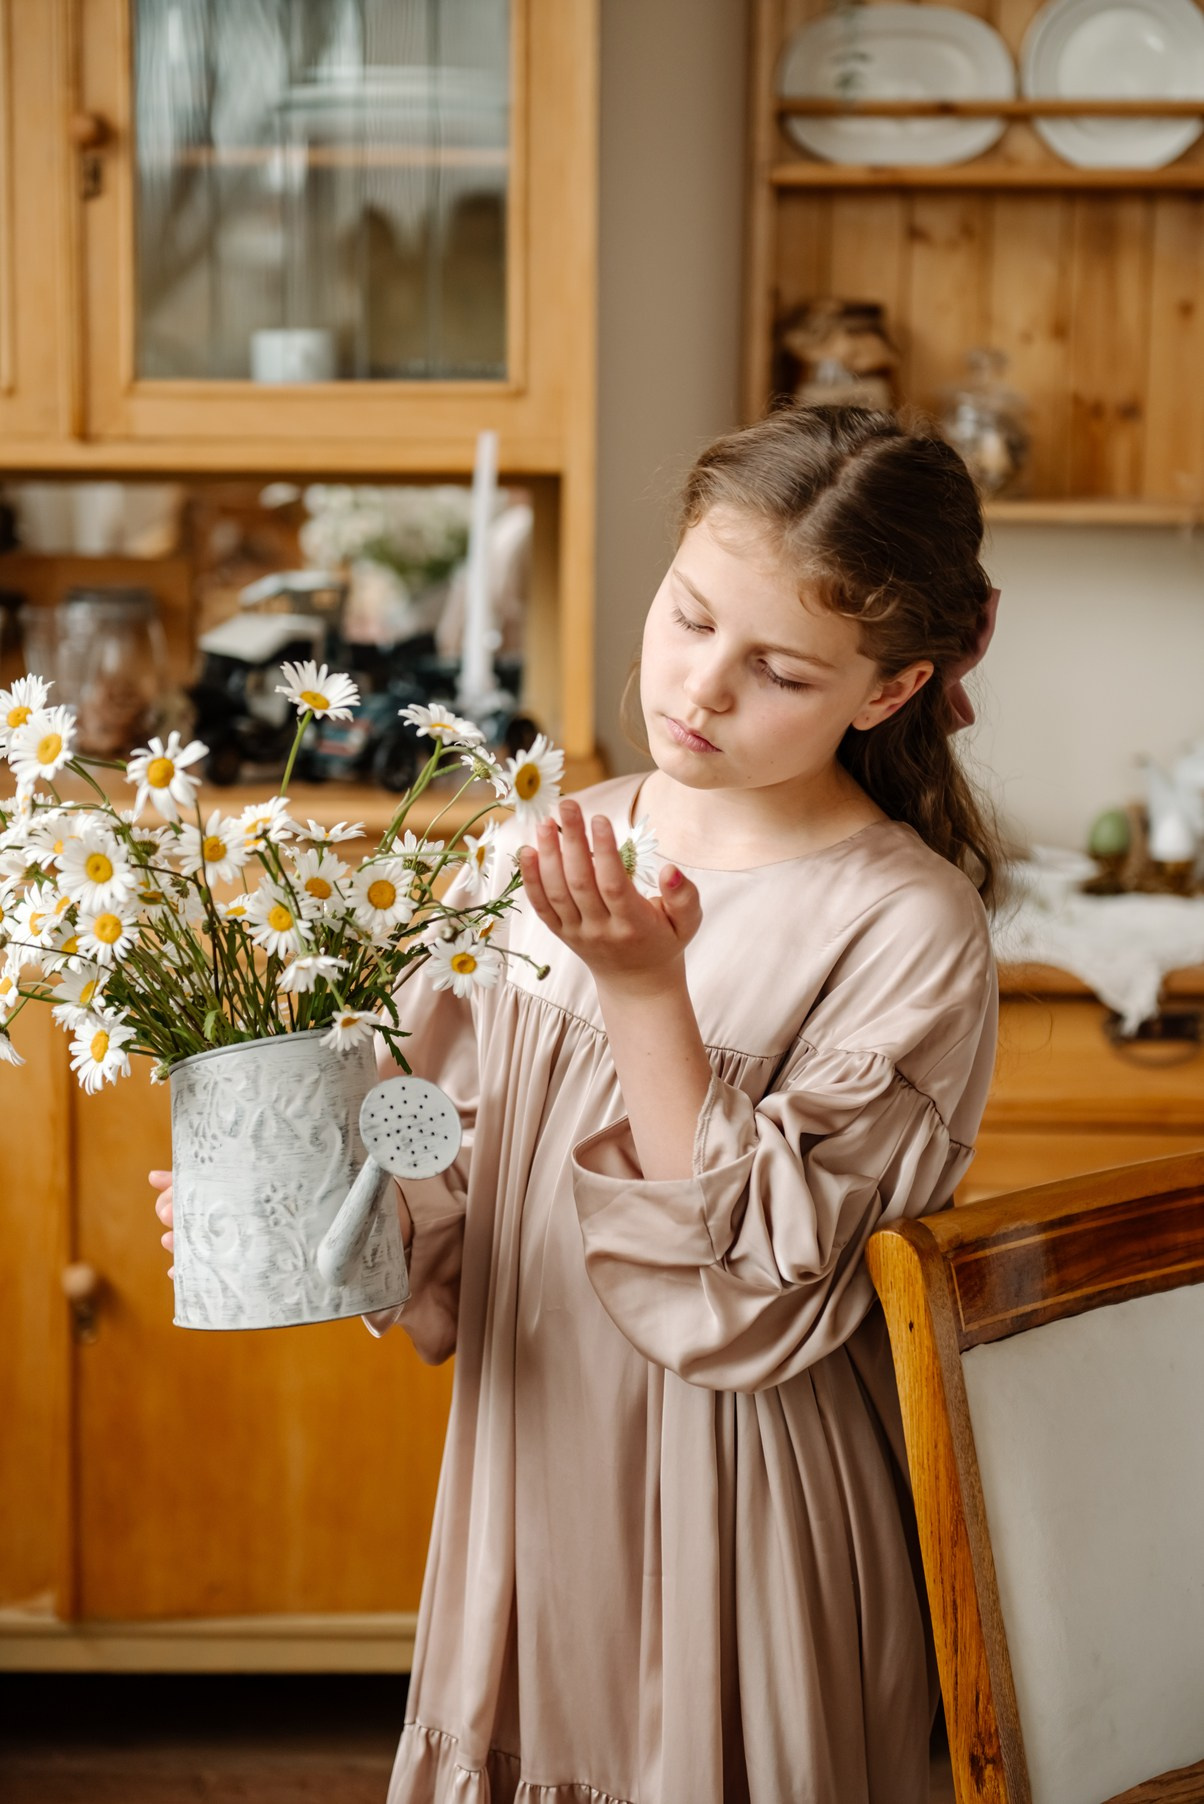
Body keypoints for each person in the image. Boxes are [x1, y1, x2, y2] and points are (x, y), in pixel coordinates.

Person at [153, 405, 1002, 1803]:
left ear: (890, 690)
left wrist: (645, 992)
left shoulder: (907, 927)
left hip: (739, 1493)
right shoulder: (549, 846)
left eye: (778, 669)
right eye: (685, 617)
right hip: (532, 1453)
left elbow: (753, 1280)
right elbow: (442, 1150)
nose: (700, 690)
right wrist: (304, 1194)